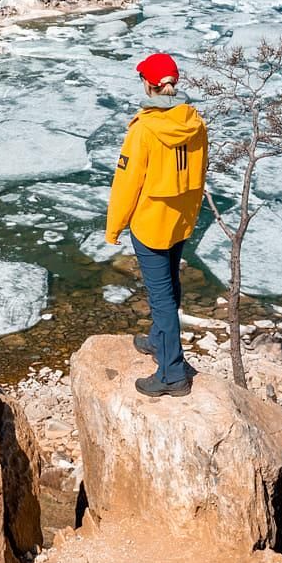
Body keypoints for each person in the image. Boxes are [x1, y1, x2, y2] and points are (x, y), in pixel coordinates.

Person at [104, 52, 208, 397]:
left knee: (161, 297)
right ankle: (158, 340)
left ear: (148, 84)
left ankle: (172, 374)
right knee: (170, 287)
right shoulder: (195, 123)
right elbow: (200, 174)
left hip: (150, 224)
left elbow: (127, 184)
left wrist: (114, 227)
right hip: (179, 220)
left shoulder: (144, 130)